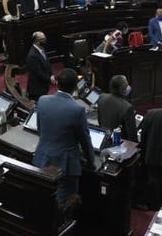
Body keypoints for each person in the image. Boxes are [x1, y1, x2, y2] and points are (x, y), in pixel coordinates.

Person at [33, 68, 98, 207]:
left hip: (41, 158)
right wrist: (91, 162)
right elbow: (85, 141)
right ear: (75, 87)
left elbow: (40, 129)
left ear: (56, 83)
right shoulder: (77, 110)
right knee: (63, 207)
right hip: (65, 167)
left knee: (44, 202)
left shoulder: (42, 100)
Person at [97, 75, 138, 141]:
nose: (128, 87)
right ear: (123, 90)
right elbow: (132, 135)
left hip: (103, 138)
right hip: (119, 143)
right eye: (127, 85)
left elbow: (99, 120)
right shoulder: (128, 107)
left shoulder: (102, 97)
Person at [25, 31, 55, 101]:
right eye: (43, 39)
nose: (45, 40)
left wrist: (51, 74)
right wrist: (50, 79)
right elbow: (38, 73)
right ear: (37, 41)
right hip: (37, 89)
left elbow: (47, 63)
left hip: (43, 85)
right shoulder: (32, 56)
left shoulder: (41, 49)